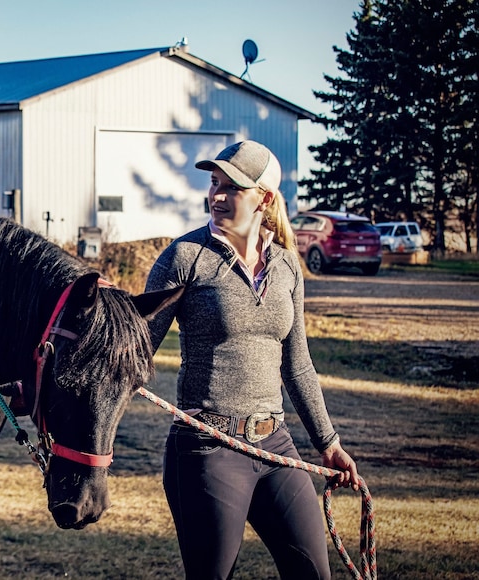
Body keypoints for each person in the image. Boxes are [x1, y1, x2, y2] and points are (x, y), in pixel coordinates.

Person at [144, 140, 362, 579]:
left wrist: (328, 443)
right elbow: (135, 346)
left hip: (274, 443)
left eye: (232, 187)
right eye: (214, 183)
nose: (216, 196)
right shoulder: (185, 257)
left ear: (263, 198)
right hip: (208, 447)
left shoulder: (285, 266)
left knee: (315, 573)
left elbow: (297, 363)